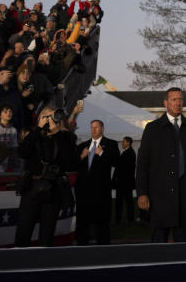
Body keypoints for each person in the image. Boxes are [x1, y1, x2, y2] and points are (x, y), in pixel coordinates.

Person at [135, 87, 186, 242]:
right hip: (160, 196)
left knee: (183, 245)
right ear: (166, 103)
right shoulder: (152, 128)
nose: (178, 103)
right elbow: (143, 163)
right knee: (158, 244)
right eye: (174, 99)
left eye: (180, 99)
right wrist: (142, 192)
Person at [14, 105, 78, 247]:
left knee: (47, 233)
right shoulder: (33, 136)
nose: (50, 120)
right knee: (24, 230)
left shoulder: (65, 137)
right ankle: (18, 260)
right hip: (32, 188)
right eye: (46, 116)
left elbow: (70, 160)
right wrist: (38, 129)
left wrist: (57, 133)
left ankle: (44, 262)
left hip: (53, 189)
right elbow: (23, 153)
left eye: (53, 116)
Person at [74, 119, 119, 245]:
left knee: (102, 223)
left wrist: (102, 154)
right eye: (92, 127)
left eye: (97, 127)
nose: (94, 130)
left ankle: (103, 250)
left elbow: (116, 162)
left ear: (102, 129)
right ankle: (82, 248)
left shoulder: (111, 144)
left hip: (101, 191)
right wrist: (81, 157)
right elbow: (73, 165)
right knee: (83, 222)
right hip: (84, 191)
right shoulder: (83, 146)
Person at [113, 135, 137, 224]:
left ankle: (123, 219)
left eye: (123, 142)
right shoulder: (127, 152)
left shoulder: (129, 153)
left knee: (124, 201)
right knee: (126, 201)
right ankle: (126, 219)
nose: (122, 143)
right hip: (124, 182)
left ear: (128, 143)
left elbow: (123, 168)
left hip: (124, 182)